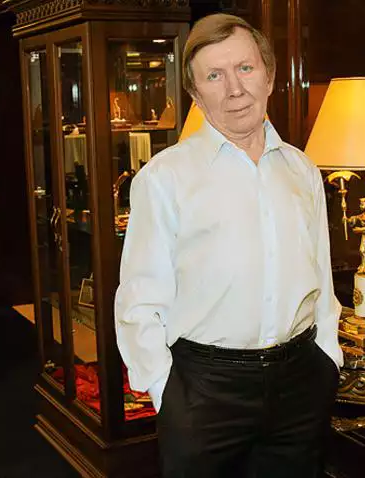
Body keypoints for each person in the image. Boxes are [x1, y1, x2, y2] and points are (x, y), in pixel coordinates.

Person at [115, 13, 342, 478]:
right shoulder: (164, 178)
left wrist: (328, 359)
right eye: (214, 76)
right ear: (196, 94)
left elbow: (322, 275)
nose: (235, 89)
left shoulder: (302, 170)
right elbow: (139, 300)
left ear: (269, 75)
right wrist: (165, 391)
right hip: (205, 392)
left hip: (301, 385)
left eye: (245, 68)